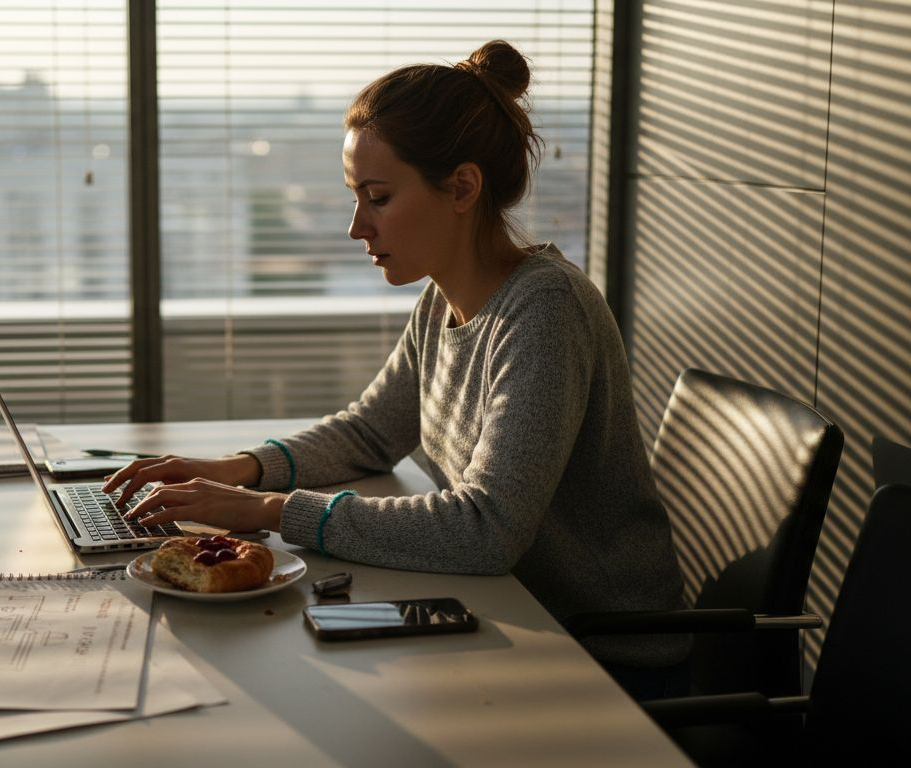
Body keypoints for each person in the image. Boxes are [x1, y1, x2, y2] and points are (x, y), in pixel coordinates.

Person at [104, 40, 689, 693]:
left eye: (377, 197)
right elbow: (370, 432)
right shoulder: (444, 300)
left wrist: (266, 510)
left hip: (606, 662)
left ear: (462, 188)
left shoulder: (546, 312)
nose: (357, 227)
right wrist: (236, 470)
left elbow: (485, 529)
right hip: (514, 620)